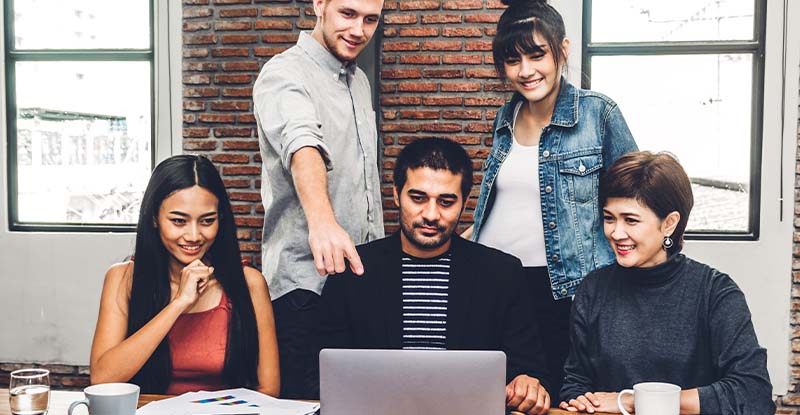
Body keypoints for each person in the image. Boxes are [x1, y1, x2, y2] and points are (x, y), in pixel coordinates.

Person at [464, 0, 638, 396]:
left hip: (565, 290)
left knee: (563, 397)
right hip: (496, 285)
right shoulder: (505, 117)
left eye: (536, 54)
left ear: (563, 50)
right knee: (502, 398)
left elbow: (636, 201)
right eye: (512, 60)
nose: (525, 71)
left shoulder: (599, 114)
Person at [313, 138, 552, 415]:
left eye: (446, 202)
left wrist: (528, 383)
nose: (430, 214)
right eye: (418, 198)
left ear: (464, 202)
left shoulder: (501, 273)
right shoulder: (352, 271)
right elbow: (320, 374)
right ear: (396, 194)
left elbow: (531, 370)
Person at [558, 151, 775, 414]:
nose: (616, 233)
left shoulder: (716, 292)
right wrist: (579, 399)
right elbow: (575, 383)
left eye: (631, 220)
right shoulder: (593, 289)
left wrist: (633, 401)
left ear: (670, 223)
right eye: (609, 218)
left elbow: (754, 394)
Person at [252, 0, 385, 398]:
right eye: (348, 14)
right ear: (319, 5)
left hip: (357, 283)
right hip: (303, 290)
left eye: (370, 19)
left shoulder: (357, 80)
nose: (359, 30)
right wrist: (323, 222)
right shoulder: (283, 73)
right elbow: (302, 144)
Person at [89, 155, 280, 396]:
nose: (193, 235)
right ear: (154, 219)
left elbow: (269, 390)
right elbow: (102, 379)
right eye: (179, 221)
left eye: (207, 221)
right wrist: (179, 303)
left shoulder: (249, 283)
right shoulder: (122, 279)